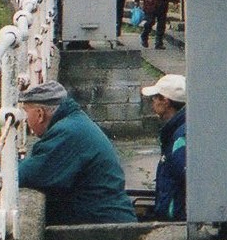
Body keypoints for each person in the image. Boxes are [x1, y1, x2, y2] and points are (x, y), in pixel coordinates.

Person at [15, 80, 136, 224]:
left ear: (40, 114)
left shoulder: (66, 133)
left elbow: (25, 175)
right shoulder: (74, 122)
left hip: (104, 224)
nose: (25, 121)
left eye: (26, 113)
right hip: (108, 215)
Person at [141, 74, 188, 221]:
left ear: (165, 101)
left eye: (154, 97)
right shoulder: (176, 131)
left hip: (175, 218)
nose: (152, 102)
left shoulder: (180, 137)